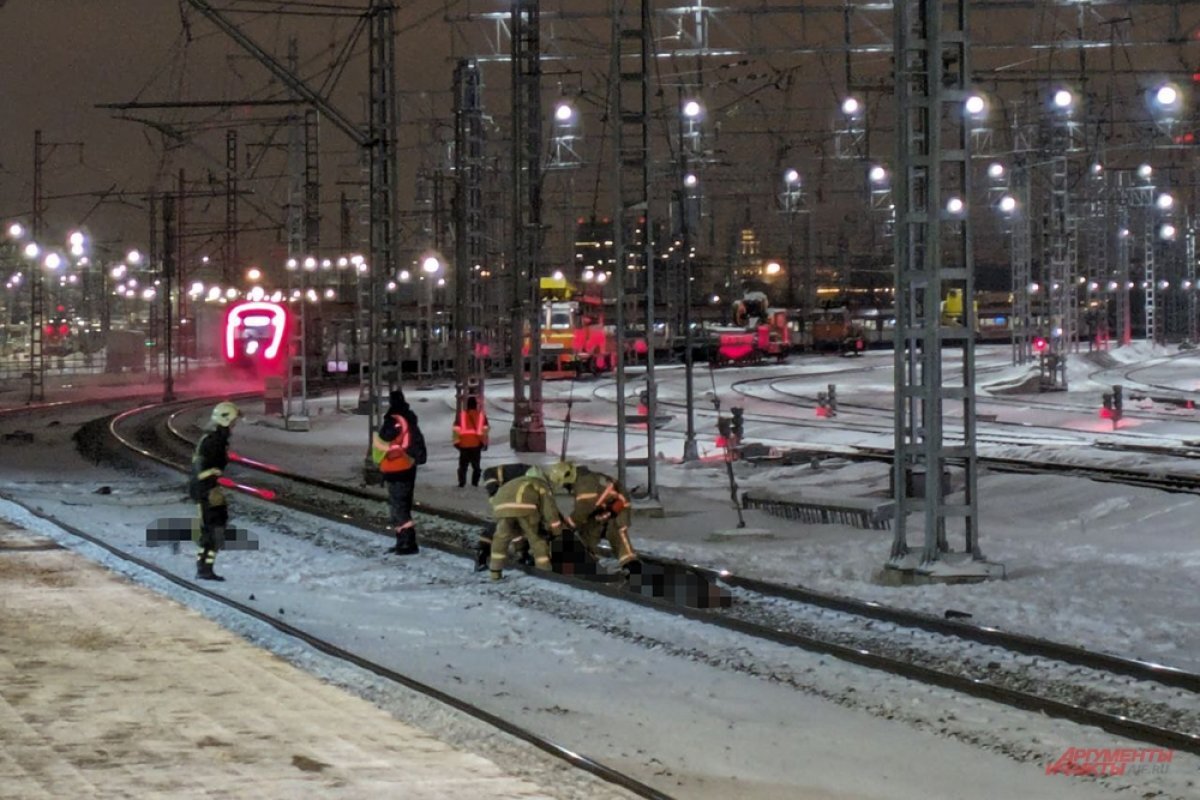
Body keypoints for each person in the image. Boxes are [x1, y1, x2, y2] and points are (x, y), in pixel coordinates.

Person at [548, 461, 640, 574]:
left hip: (619, 507)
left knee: (616, 532)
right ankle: (587, 560)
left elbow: (582, 512)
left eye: (564, 484)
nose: (565, 487)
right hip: (602, 508)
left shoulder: (585, 484)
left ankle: (632, 565)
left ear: (567, 478)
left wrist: (566, 527)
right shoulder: (582, 479)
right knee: (587, 531)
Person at [188, 401, 240, 581]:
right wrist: (211, 474)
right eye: (233, 422)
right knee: (211, 529)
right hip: (205, 490)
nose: (234, 426)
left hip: (210, 488)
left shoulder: (217, 439)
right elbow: (199, 470)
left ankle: (206, 567)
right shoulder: (212, 441)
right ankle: (203, 569)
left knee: (217, 526)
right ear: (225, 421)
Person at [373, 388, 427, 555]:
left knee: (398, 508)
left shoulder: (395, 420)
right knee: (403, 505)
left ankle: (407, 543)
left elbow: (385, 436)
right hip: (408, 467)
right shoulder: (410, 419)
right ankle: (403, 541)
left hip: (397, 469)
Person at [487, 466, 563, 580]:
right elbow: (550, 511)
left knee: (501, 540)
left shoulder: (514, 482)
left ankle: (495, 573)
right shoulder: (541, 484)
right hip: (526, 509)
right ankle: (545, 574)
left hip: (501, 509)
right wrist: (556, 532)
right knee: (537, 540)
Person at [452, 395, 489, 488]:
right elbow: (485, 430)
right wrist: (484, 443)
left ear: (467, 405)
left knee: (463, 466)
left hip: (463, 445)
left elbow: (456, 429)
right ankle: (475, 483)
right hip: (476, 445)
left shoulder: (461, 416)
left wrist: (456, 443)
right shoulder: (481, 416)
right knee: (476, 467)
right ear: (475, 405)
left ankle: (462, 483)